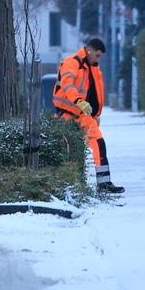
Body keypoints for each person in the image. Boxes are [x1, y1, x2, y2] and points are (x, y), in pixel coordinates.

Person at [53, 38, 124, 194]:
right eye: (97, 55)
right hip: (68, 113)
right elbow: (67, 85)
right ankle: (70, 184)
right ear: (89, 50)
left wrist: (96, 114)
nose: (98, 59)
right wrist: (79, 101)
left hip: (83, 114)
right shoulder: (72, 62)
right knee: (68, 149)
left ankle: (102, 184)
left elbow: (95, 92)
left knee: (97, 144)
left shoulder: (92, 66)